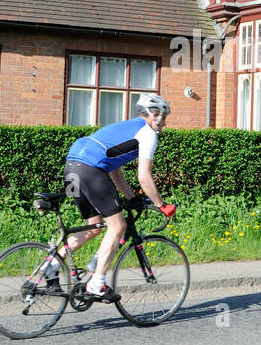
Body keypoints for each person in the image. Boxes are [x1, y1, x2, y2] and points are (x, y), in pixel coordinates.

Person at [56, 92, 177, 302]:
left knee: (93, 227)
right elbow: (144, 177)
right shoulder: (147, 133)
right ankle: (97, 283)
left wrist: (131, 198)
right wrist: (162, 204)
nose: (164, 124)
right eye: (164, 118)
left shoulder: (124, 128)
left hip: (72, 168)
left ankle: (50, 268)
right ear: (155, 115)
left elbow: (115, 172)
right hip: (90, 170)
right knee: (117, 226)